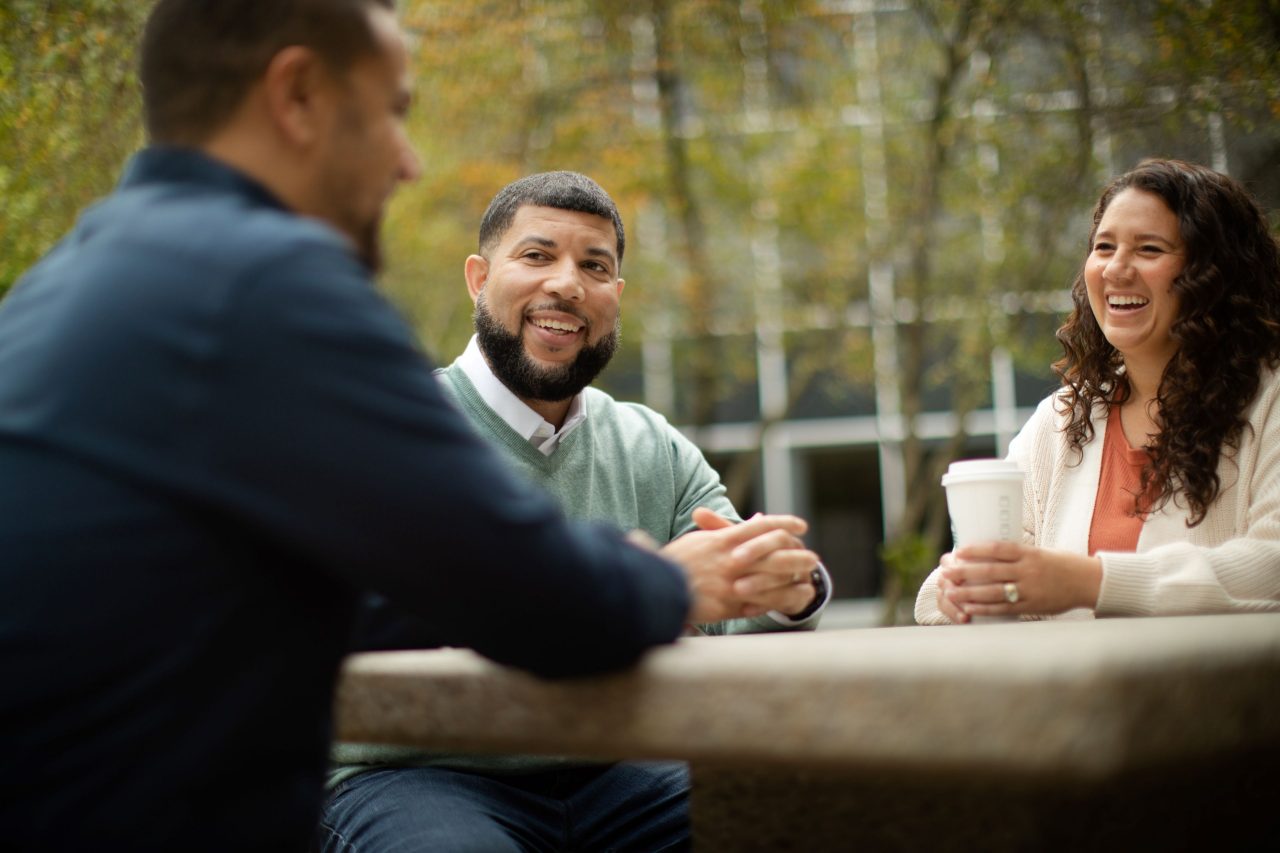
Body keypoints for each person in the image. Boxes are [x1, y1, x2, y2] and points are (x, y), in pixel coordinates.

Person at [0, 2, 814, 850]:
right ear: (299, 94)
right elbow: (526, 590)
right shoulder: (260, 283)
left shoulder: (80, 280)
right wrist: (669, 583)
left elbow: (282, 594)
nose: (407, 161)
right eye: (391, 110)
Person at [317, 171, 831, 852]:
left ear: (615, 295)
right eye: (536, 256)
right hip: (415, 771)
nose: (567, 283)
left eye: (596, 266)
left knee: (801, 810)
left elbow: (730, 582)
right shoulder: (392, 429)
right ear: (478, 277)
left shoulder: (649, 443)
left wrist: (791, 586)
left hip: (619, 770)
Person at [916, 158, 1280, 625]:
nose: (1115, 270)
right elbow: (944, 593)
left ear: (1215, 275)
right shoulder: (1062, 420)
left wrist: (1089, 582)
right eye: (1104, 247)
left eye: (1149, 249)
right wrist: (965, 592)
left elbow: (1270, 567)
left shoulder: (1268, 402)